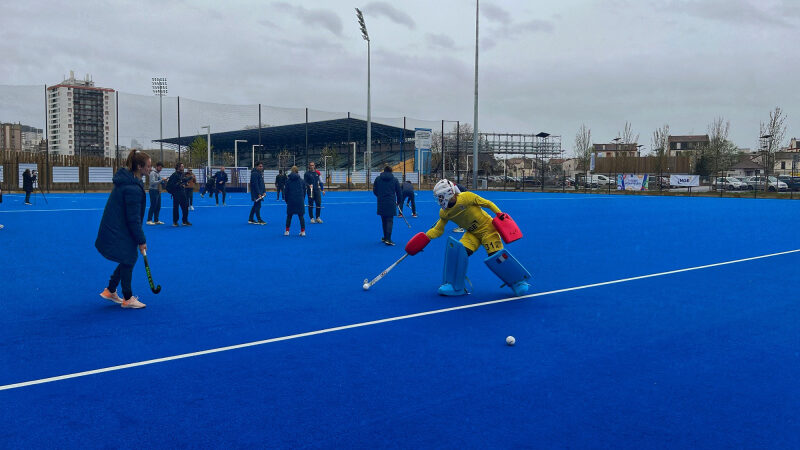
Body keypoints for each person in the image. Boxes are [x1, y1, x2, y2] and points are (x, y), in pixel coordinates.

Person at [404, 179, 531, 297]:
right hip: (472, 234)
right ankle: (457, 287)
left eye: (441, 197)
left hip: (488, 229)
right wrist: (424, 238)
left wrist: (499, 214)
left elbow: (487, 203)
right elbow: (438, 229)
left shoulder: (467, 197)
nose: (439, 200)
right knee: (458, 254)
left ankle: (518, 282)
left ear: (448, 194)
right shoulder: (444, 213)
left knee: (498, 258)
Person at [95, 149, 150, 309]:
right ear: (139, 167)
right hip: (120, 228)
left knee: (128, 258)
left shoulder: (130, 181)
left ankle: (110, 290)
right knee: (129, 258)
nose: (150, 169)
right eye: (148, 166)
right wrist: (141, 240)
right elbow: (133, 219)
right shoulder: (131, 188)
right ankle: (127, 298)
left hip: (118, 226)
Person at [372, 166, 402, 246]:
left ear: (384, 171)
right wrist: (398, 202)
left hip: (381, 201)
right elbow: (399, 192)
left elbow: (374, 190)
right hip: (391, 202)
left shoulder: (378, 179)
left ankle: (385, 237)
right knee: (389, 220)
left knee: (384, 220)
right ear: (391, 171)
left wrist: (380, 196)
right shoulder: (395, 180)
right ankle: (388, 239)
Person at [167, 162, 191, 226]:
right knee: (176, 208)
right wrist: (178, 184)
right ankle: (175, 222)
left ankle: (185, 221)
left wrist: (185, 184)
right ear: (178, 167)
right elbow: (171, 185)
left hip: (182, 192)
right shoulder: (174, 175)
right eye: (182, 166)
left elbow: (183, 181)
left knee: (185, 206)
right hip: (176, 193)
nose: (183, 167)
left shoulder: (182, 174)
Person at [284, 166, 306, 236]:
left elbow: (286, 192)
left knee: (289, 216)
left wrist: (287, 200)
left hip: (291, 200)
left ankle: (287, 231)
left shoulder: (288, 181)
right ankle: (303, 231)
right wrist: (302, 199)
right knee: (301, 216)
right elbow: (304, 191)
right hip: (300, 200)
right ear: (297, 171)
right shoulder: (302, 181)